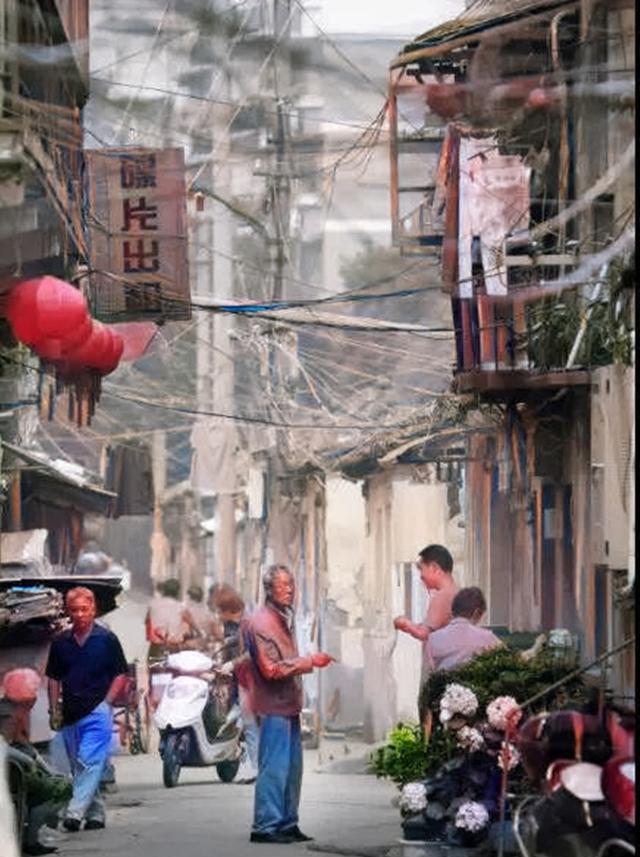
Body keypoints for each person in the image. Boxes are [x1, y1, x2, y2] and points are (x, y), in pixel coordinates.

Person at [246, 565, 334, 845]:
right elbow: (270, 669)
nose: (289, 589)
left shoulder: (284, 617)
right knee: (274, 767)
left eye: (291, 584)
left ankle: (287, 822)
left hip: (289, 703)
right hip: (273, 705)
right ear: (269, 589)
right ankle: (265, 825)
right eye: (282, 585)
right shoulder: (260, 622)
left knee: (292, 768)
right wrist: (309, 661)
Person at [45, 587, 127, 832]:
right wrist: (53, 709)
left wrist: (108, 702)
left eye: (84, 609)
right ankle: (96, 814)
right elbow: (53, 678)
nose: (80, 614)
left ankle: (74, 812)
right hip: (70, 713)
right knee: (78, 765)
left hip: (98, 711)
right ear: (68, 612)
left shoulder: (106, 639)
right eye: (75, 610)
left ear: (93, 609)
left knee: (88, 762)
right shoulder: (61, 642)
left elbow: (120, 673)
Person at [393, 544, 458, 680]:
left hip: (440, 666)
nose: (421, 576)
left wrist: (403, 622)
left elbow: (423, 633)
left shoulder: (442, 596)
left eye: (422, 570)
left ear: (434, 568)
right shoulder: (456, 591)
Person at [426, 587, 502, 672]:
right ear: (476, 613)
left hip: (442, 683)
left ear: (453, 611)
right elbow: (508, 658)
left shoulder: (433, 639)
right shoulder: (487, 637)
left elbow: (429, 673)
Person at [145, 579, 189, 659]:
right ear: (178, 592)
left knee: (152, 667)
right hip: (173, 647)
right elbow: (190, 625)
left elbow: (147, 622)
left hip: (156, 647)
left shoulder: (152, 604)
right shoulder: (181, 607)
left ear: (164, 590)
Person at [183, 584, 222, 650]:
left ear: (188, 597)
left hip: (187, 651)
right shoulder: (209, 614)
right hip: (204, 650)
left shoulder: (183, 612)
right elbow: (219, 636)